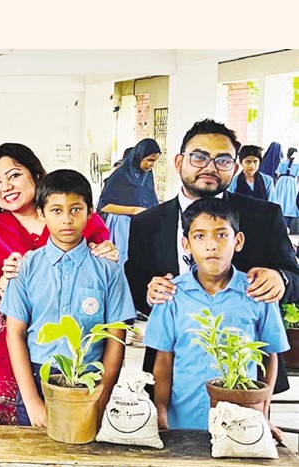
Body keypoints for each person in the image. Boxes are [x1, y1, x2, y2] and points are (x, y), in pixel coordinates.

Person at [0, 169, 135, 467]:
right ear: (42, 213)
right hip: (39, 383)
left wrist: (101, 397)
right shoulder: (27, 267)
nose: (67, 219)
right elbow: (15, 333)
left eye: (76, 209)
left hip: (89, 387)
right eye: (56, 210)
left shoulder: (107, 270)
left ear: (90, 213)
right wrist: (31, 401)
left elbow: (116, 336)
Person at [145, 198, 287, 467]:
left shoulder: (256, 293)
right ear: (186, 244)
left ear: (238, 241)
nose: (211, 244)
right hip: (184, 425)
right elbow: (163, 360)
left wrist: (262, 413)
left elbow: (270, 357)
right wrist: (160, 410)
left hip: (242, 430)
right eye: (200, 236)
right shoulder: (172, 296)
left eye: (221, 235)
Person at [125, 119, 299, 398]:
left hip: (247, 377)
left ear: (235, 168)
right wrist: (149, 291)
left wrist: (281, 279)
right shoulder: (147, 223)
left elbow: (294, 277)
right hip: (172, 370)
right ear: (179, 161)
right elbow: (134, 282)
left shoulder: (264, 216)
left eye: (223, 160)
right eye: (199, 157)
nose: (210, 167)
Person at [0, 143, 115, 426]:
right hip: (7, 340)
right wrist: (4, 283)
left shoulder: (78, 224)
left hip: (75, 342)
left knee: (74, 425)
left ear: (36, 175)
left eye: (14, 175)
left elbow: (105, 277)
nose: (6, 186)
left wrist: (108, 252)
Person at [97, 138, 161, 264]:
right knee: (124, 261)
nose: (152, 165)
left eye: (154, 161)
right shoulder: (120, 176)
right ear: (139, 157)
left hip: (142, 225)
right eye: (149, 160)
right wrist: (134, 210)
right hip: (122, 225)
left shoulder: (147, 175)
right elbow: (103, 206)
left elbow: (151, 199)